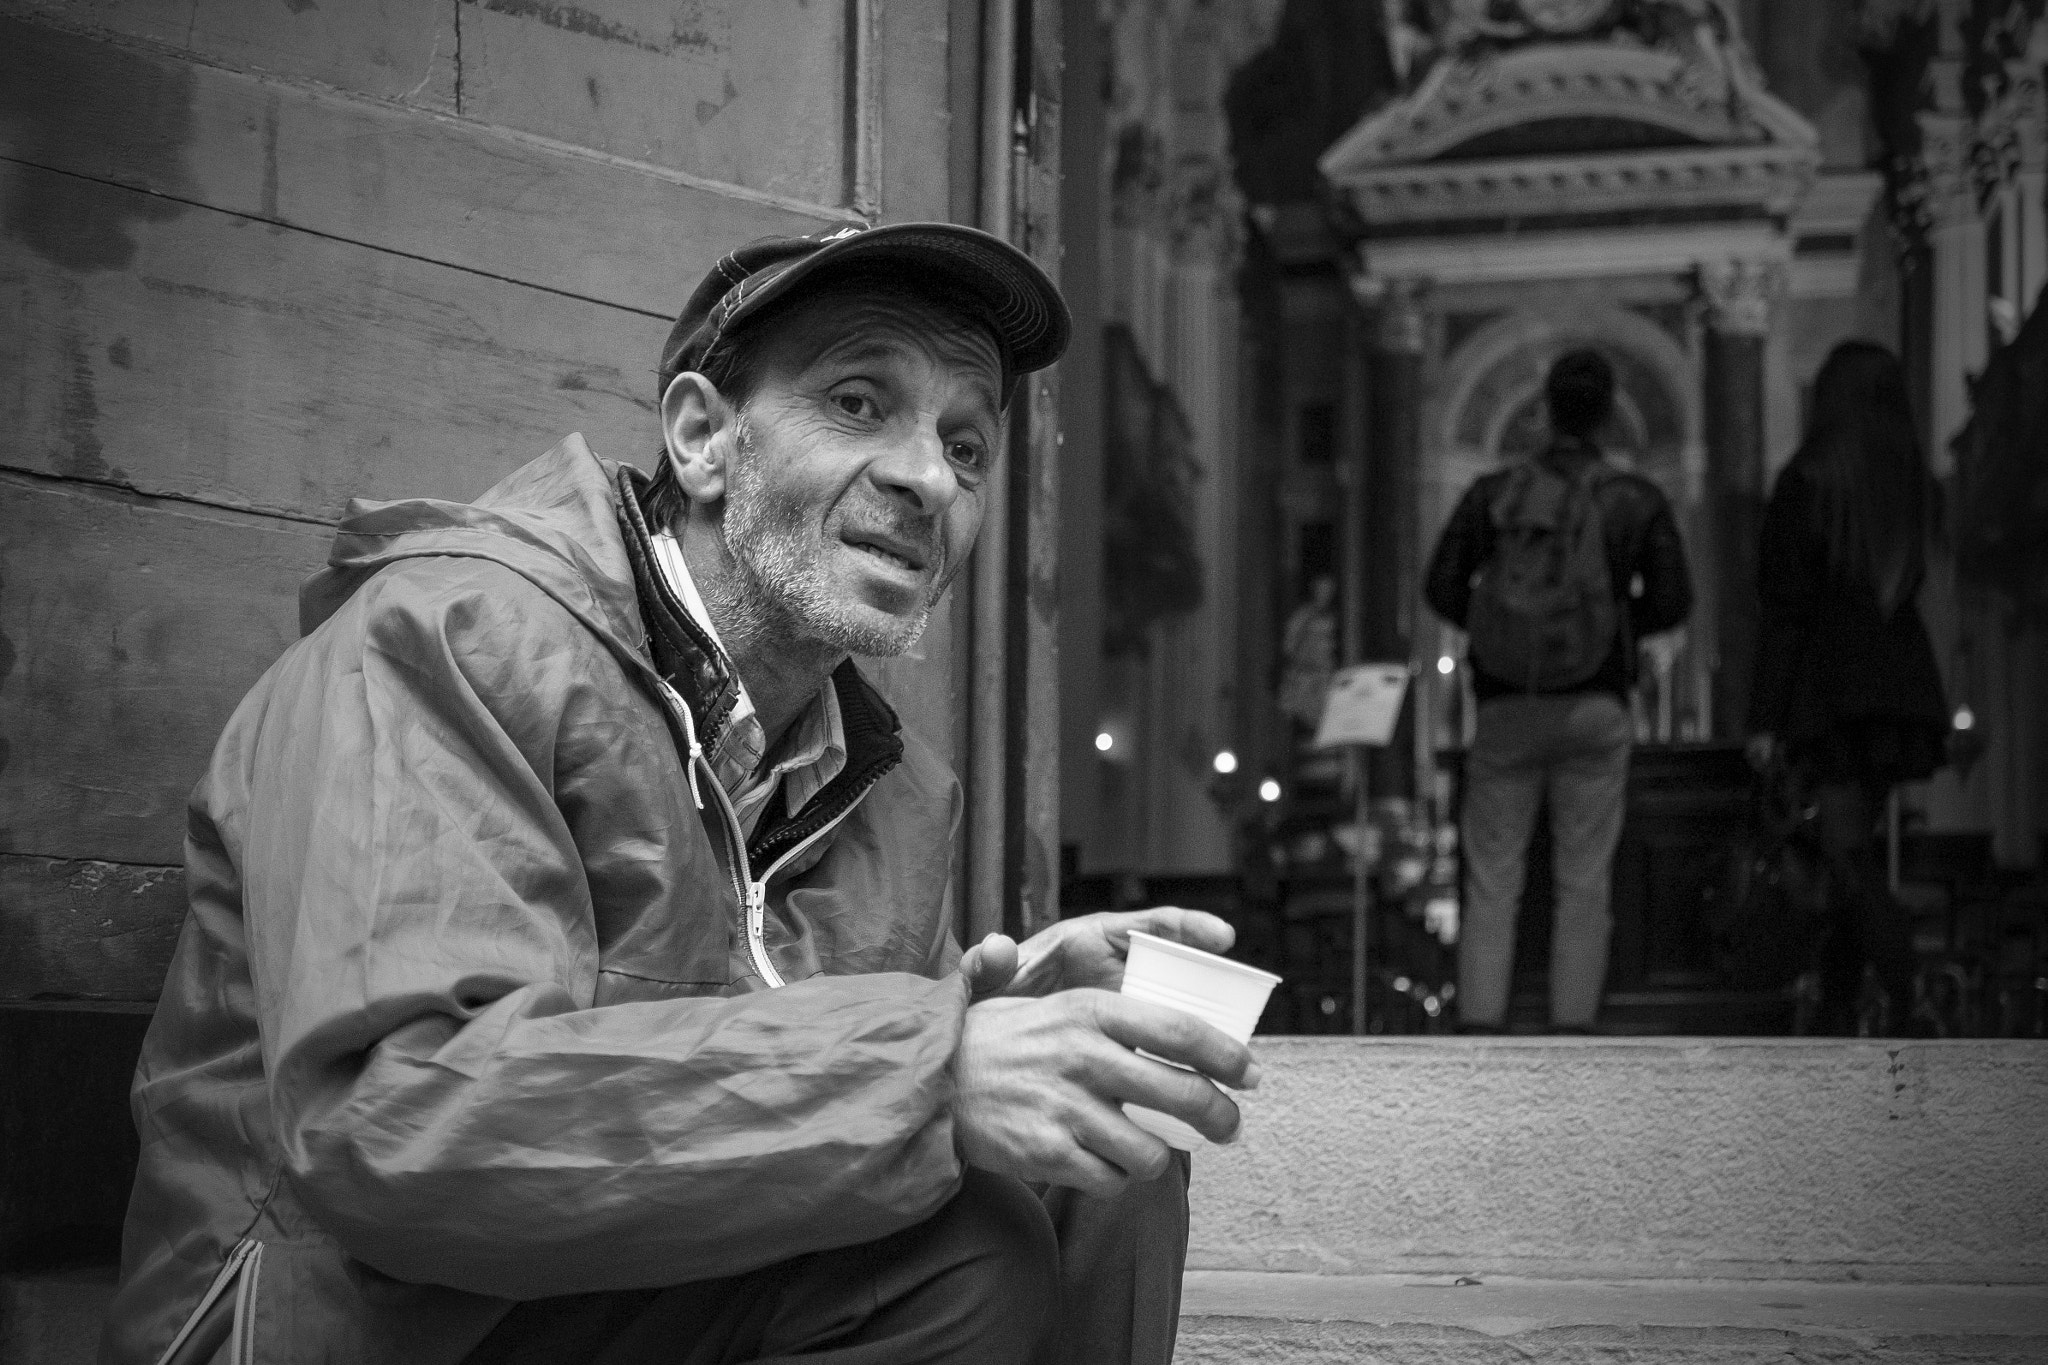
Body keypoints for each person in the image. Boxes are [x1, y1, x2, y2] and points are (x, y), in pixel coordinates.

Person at [99, 223, 1259, 1365]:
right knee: (963, 1250)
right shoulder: (444, 646)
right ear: (703, 439)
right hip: (362, 1318)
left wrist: (994, 1025)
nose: (925, 477)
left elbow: (774, 1108)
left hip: (621, 1295)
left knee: (1103, 1152)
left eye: (966, 445)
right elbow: (397, 1122)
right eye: (860, 403)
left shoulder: (896, 793)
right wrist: (929, 1069)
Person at [1423, 348, 1692, 1033]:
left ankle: (1481, 1031)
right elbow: (1674, 599)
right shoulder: (1636, 497)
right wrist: (1613, 626)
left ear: (1546, 410)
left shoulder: (1495, 494)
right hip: (1596, 707)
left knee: (1492, 883)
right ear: (1606, 414)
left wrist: (1495, 630)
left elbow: (1440, 586)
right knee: (1583, 881)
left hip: (1507, 707)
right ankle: (1574, 1038)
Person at [1746, 340, 1949, 1036]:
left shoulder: (1809, 481)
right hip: (1898, 695)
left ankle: (1908, 996)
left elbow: (1785, 608)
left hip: (1826, 693)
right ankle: (1836, 1016)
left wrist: (1764, 719)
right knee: (1846, 860)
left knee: (1846, 858)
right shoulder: (1914, 484)